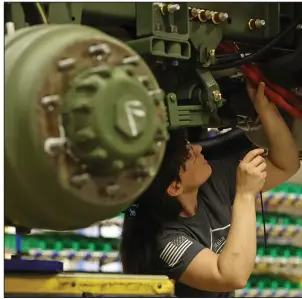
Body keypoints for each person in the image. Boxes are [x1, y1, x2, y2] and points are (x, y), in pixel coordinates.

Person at [120, 81, 300, 297]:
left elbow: (286, 164)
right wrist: (245, 194)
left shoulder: (211, 181)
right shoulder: (164, 240)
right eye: (189, 154)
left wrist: (266, 109)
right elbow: (232, 276)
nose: (197, 148)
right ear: (175, 187)